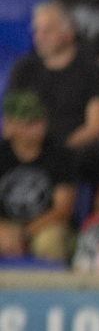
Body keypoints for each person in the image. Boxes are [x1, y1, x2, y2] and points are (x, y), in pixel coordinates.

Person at [9, 1, 99, 154]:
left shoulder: (93, 72)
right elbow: (11, 121)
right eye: (36, 30)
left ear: (70, 31)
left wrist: (58, 155)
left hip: (72, 156)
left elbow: (97, 129)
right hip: (28, 152)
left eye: (48, 30)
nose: (40, 37)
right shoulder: (23, 69)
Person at [0, 89, 77, 261]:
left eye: (41, 120)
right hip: (5, 227)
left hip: (46, 227)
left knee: (48, 241)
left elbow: (62, 210)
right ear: (9, 125)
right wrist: (4, 231)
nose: (38, 128)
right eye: (30, 122)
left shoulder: (61, 155)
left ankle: (54, 288)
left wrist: (25, 234)